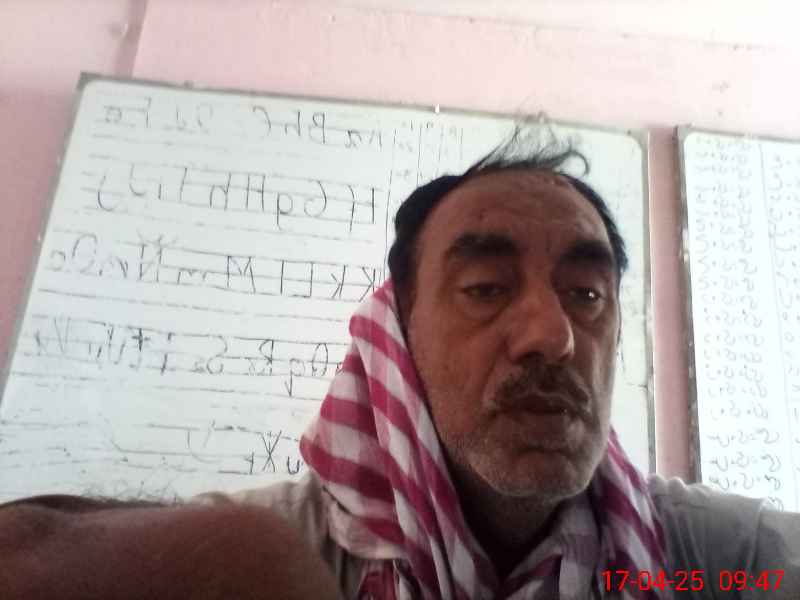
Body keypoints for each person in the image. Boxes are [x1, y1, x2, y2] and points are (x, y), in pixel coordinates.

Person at [2, 134, 799, 599]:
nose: (551, 336)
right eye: (485, 288)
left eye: (587, 295)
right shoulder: (261, 558)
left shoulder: (719, 562)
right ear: (399, 336)